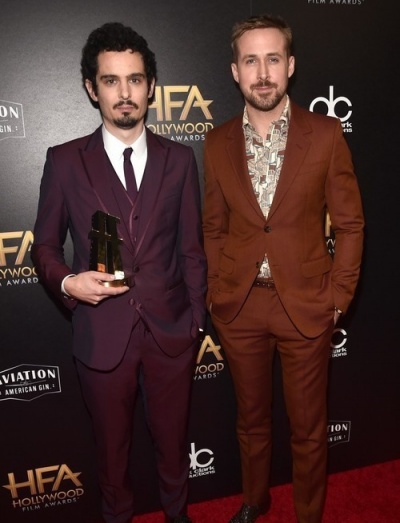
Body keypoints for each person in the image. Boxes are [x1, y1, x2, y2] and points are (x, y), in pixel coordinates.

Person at [31, 22, 206, 523]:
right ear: (92, 88)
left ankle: (178, 516)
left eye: (135, 79)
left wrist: (196, 322)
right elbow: (44, 246)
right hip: (101, 336)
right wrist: (69, 282)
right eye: (111, 80)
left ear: (151, 86)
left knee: (174, 447)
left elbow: (191, 249)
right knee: (111, 457)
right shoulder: (65, 161)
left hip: (171, 334)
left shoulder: (180, 160)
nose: (124, 93)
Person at [202, 13, 364, 523]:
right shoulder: (215, 142)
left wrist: (338, 296)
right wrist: (216, 291)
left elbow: (351, 224)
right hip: (240, 306)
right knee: (250, 421)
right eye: (251, 60)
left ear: (290, 65)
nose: (263, 72)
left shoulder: (326, 134)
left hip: (307, 304)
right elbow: (213, 227)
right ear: (235, 71)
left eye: (273, 58)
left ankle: (308, 515)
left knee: (309, 427)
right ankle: (255, 500)